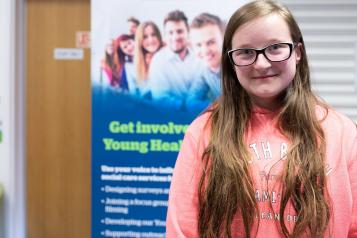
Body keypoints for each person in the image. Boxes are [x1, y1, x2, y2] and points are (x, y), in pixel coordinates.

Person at [166, 1, 357, 237]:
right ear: (231, 61)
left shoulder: (342, 133)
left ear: (297, 52)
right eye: (246, 52)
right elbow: (181, 229)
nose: (262, 63)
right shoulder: (203, 132)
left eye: (275, 47)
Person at [147, 10, 200, 110]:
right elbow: (161, 100)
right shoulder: (158, 61)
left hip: (203, 118)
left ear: (188, 32)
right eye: (170, 33)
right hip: (172, 120)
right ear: (165, 35)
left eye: (179, 31)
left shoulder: (199, 55)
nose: (175, 37)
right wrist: (189, 106)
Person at [186, 13, 225, 111]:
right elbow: (191, 101)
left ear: (224, 41)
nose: (205, 51)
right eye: (198, 45)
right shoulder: (205, 71)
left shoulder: (238, 67)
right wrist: (216, 108)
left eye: (210, 42)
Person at [133, 21, 164, 96]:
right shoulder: (140, 62)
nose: (150, 40)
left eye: (153, 35)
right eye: (145, 37)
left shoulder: (168, 55)